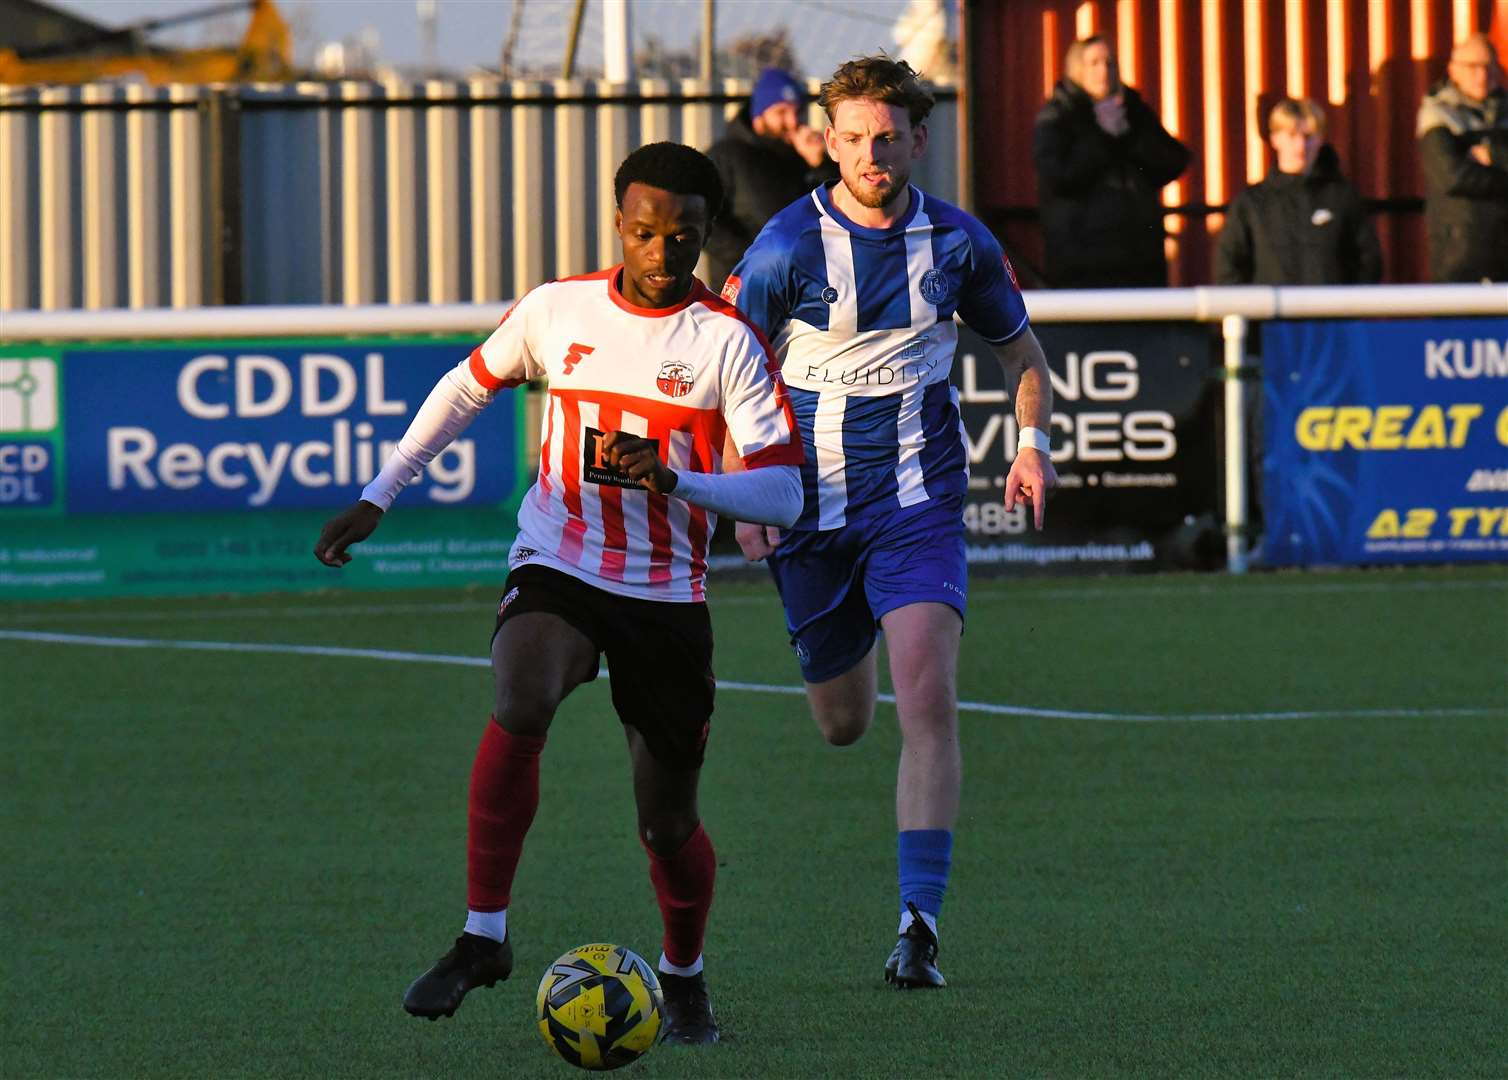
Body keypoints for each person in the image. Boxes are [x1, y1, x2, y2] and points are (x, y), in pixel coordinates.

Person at [313, 142, 804, 1044]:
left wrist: (677, 481)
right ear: (619, 222)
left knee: (667, 825)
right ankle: (483, 936)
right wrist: (380, 491)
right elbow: (467, 388)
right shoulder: (557, 310)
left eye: (684, 238)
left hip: (663, 593)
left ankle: (685, 974)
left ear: (705, 235)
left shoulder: (726, 342)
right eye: (647, 232)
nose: (663, 254)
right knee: (522, 690)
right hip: (561, 560)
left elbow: (784, 491)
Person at [721, 56, 1058, 989]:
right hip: (810, 515)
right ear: (827, 141)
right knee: (843, 723)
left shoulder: (958, 243)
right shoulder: (786, 248)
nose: (871, 153)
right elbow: (723, 367)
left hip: (918, 505)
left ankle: (918, 922)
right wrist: (740, 483)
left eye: (887, 137)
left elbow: (1020, 350)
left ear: (919, 139)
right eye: (853, 137)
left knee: (928, 694)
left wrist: (1030, 441)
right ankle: (842, 663)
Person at [1032, 34, 1190, 288]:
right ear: (1076, 69)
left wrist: (1127, 135)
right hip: (1082, 266)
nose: (1103, 70)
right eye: (1094, 63)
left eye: (1110, 63)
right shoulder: (1058, 115)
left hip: (1141, 264)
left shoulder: (1133, 110)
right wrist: (1102, 137)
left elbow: (1175, 161)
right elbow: (1058, 178)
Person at [1216, 98, 1382, 285]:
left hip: (1330, 312)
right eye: (1292, 135)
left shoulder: (1342, 198)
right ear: (1275, 139)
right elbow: (1229, 267)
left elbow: (1368, 262)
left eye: (1308, 136)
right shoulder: (1252, 203)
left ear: (1320, 139)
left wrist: (1346, 308)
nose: (1301, 145)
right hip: (1270, 313)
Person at [704, 67, 838, 291]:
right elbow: (709, 223)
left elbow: (836, 210)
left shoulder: (804, 156)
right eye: (781, 112)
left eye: (798, 112)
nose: (793, 121)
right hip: (743, 290)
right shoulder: (727, 155)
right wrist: (754, 258)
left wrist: (821, 165)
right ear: (759, 115)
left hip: (802, 290)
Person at [1417, 33, 1508, 283]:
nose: (1482, 75)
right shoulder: (1438, 115)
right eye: (1472, 67)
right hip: (1461, 256)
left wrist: (1493, 156)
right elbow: (1453, 177)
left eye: (1489, 67)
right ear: (1453, 70)